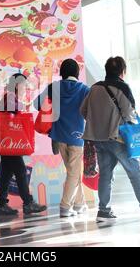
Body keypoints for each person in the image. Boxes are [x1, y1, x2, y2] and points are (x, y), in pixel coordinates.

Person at [80, 56, 140, 222]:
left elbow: (83, 110)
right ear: (122, 71)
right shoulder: (122, 87)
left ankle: (103, 211)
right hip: (118, 138)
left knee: (105, 175)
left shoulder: (94, 88)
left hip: (98, 140)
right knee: (135, 172)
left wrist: (97, 123)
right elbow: (128, 114)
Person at [34, 59, 90, 218]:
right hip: (77, 136)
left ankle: (80, 203)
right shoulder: (84, 89)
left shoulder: (54, 87)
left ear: (62, 72)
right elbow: (91, 110)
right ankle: (65, 207)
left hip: (58, 137)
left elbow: (36, 104)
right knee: (74, 172)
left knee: (73, 171)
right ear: (77, 73)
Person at [0, 73, 47, 216]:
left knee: (6, 173)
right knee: (21, 171)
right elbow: (16, 113)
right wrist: (26, 106)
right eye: (24, 85)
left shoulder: (9, 97)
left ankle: (1, 205)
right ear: (17, 85)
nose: (26, 88)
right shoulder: (10, 97)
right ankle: (28, 203)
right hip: (12, 143)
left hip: (8, 143)